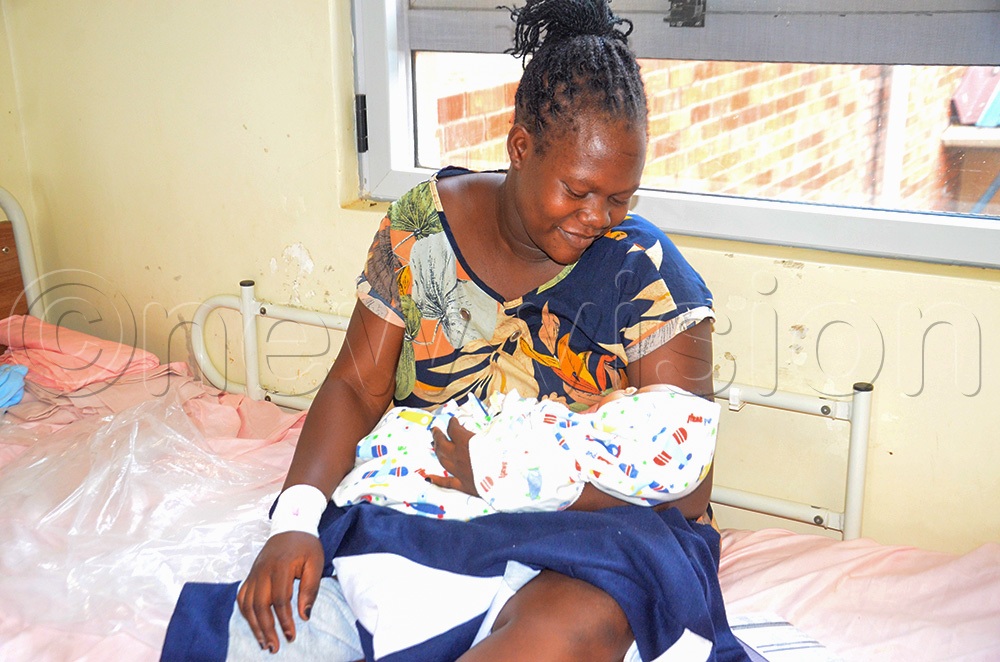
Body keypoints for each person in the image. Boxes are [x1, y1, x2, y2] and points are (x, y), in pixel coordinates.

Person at [231, 1, 730, 659]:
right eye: (577, 190)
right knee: (285, 624)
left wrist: (521, 476)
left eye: (619, 198)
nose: (596, 217)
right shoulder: (423, 228)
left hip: (595, 530)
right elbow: (356, 387)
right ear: (520, 146)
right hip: (427, 507)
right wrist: (295, 519)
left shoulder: (646, 274)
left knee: (571, 626)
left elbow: (689, 487)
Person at [332, 384, 720, 520]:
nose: (630, 389)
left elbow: (543, 483)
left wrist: (482, 467)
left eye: (636, 397)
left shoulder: (589, 450)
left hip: (472, 472)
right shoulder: (576, 427)